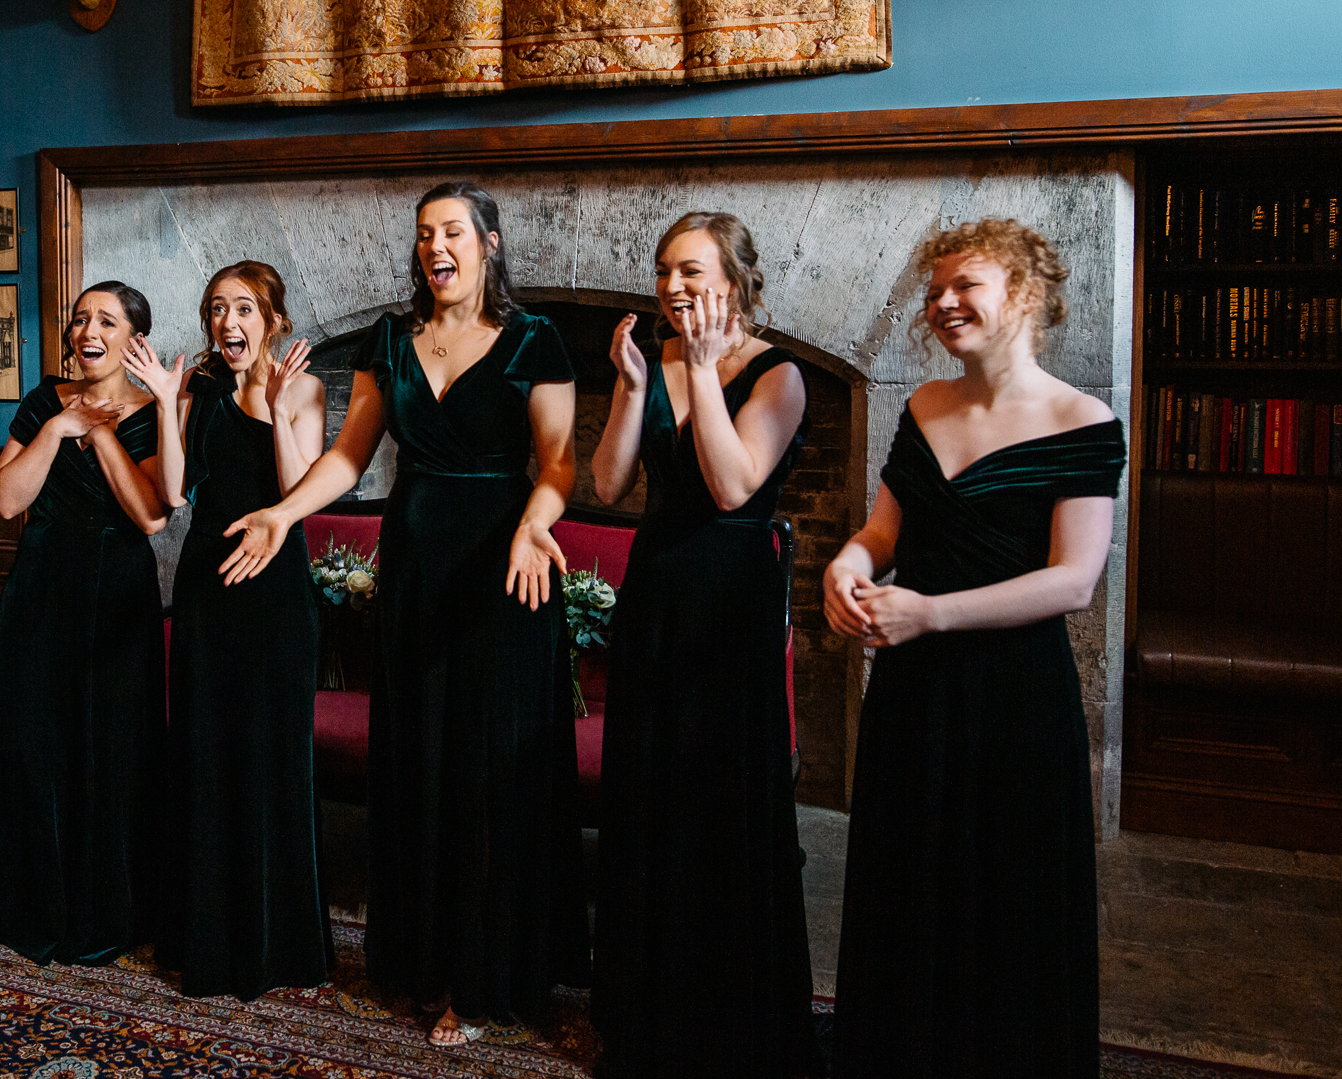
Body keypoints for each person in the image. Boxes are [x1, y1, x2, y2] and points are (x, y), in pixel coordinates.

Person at [216, 183, 589, 1046]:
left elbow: (560, 462)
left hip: (506, 574)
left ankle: (485, 977)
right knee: (423, 765)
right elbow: (350, 456)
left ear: (489, 243)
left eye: (452, 231)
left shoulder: (535, 339)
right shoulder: (390, 339)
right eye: (424, 235)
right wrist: (284, 512)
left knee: (489, 777)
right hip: (417, 573)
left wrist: (535, 527)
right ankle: (425, 960)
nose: (435, 247)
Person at [823, 220, 1124, 1078]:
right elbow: (884, 529)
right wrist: (847, 562)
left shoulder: (1082, 419)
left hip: (1015, 700)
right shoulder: (922, 405)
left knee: (1007, 898)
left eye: (967, 286)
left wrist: (931, 615)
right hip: (914, 690)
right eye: (935, 291)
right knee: (907, 884)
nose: (945, 303)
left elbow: (1073, 582)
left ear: (1024, 296)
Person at [588, 213, 820, 1077]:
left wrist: (699, 371)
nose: (672, 286)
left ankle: (722, 1023)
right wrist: (630, 385)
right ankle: (643, 1009)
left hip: (728, 608)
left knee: (715, 803)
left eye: (690, 270)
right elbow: (608, 484)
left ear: (736, 278)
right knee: (649, 797)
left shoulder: (779, 376)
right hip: (656, 597)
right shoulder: (654, 363)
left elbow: (729, 487)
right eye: (662, 272)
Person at [124, 259, 334, 1001]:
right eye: (216, 308)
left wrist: (276, 409)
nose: (226, 322)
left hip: (274, 593)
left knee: (271, 758)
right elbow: (175, 493)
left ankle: (278, 942)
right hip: (207, 593)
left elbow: (298, 491)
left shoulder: (304, 387)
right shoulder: (199, 387)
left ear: (273, 320)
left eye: (243, 308)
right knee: (207, 755)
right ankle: (202, 936)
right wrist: (163, 402)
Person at [0, 281, 170, 966]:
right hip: (39, 589)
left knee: (112, 751)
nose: (88, 328)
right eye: (80, 318)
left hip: (117, 596)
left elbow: (152, 515)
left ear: (132, 339)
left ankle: (108, 912)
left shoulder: (154, 411)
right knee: (34, 745)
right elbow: (4, 500)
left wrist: (105, 428)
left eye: (106, 320)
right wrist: (60, 426)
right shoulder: (40, 401)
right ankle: (30, 907)